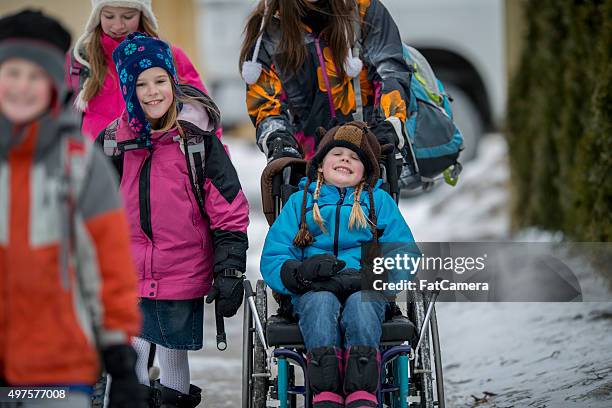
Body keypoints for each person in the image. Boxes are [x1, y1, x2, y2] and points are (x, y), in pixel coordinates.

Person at [0, 9, 144, 408]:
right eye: (12, 73)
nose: (22, 87)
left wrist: (117, 350)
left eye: (35, 76)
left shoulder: (81, 164)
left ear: (53, 85)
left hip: (58, 364)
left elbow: (109, 263)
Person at [97, 32, 249, 407]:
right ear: (128, 90)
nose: (152, 92)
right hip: (127, 268)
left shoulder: (197, 143)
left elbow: (229, 208)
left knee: (170, 349)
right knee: (132, 345)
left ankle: (173, 400)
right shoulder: (113, 142)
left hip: (182, 267)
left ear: (173, 83)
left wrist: (229, 269)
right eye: (140, 84)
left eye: (160, 81)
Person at [260, 122, 418, 407]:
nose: (346, 159)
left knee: (362, 304)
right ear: (320, 165)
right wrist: (299, 273)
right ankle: (327, 391)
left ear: (365, 172)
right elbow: (275, 254)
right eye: (338, 153)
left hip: (365, 287)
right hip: (312, 288)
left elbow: (404, 251)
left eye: (355, 157)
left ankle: (361, 391)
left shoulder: (378, 201)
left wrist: (376, 276)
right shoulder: (300, 202)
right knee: (321, 304)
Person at [239, 0, 411, 163]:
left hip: (368, 152)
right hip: (310, 164)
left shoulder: (362, 9)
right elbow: (266, 106)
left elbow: (390, 71)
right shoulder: (268, 30)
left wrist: (388, 125)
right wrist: (279, 142)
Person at [68, 0, 211, 141]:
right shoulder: (80, 60)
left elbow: (202, 114)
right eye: (109, 16)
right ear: (97, 16)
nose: (118, 25)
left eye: (128, 16)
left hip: (155, 160)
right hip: (95, 159)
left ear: (143, 14)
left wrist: (213, 158)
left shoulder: (166, 55)